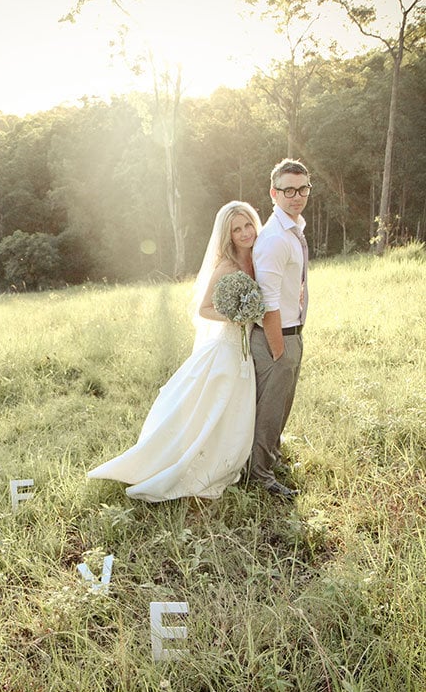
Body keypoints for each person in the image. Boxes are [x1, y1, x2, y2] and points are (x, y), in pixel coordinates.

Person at [88, 201, 262, 502]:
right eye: (237, 229)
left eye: (248, 225)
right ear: (228, 235)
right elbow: (205, 309)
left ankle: (234, 460)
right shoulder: (227, 266)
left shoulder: (258, 259)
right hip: (228, 346)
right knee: (211, 407)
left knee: (234, 410)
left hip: (246, 351)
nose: (245, 233)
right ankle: (186, 464)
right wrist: (237, 314)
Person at [249, 159, 311, 499]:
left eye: (302, 189)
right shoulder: (274, 239)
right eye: (288, 190)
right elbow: (268, 302)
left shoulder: (294, 229)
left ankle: (269, 459)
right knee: (270, 410)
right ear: (274, 193)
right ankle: (259, 475)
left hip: (292, 332)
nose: (296, 196)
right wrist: (278, 349)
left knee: (283, 405)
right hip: (278, 337)